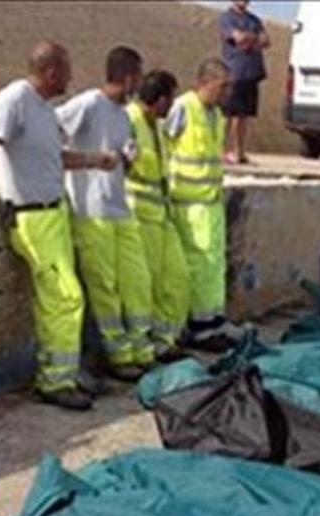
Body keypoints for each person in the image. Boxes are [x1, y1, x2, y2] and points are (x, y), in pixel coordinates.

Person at [0, 40, 118, 411]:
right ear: (52, 72)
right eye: (66, 70)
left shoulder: (44, 111)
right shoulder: (16, 98)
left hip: (54, 214)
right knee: (65, 297)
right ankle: (55, 381)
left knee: (58, 297)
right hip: (33, 218)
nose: (70, 77)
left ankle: (66, 372)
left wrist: (93, 161)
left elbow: (53, 157)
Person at [56, 46, 155, 382]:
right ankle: (118, 354)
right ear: (127, 77)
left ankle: (140, 347)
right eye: (138, 78)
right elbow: (51, 135)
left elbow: (125, 151)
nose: (140, 85)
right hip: (92, 210)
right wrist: (88, 160)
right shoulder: (87, 104)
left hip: (118, 206)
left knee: (136, 278)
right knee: (105, 286)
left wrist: (128, 157)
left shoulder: (123, 114)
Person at [165, 58, 244, 352]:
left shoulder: (216, 115)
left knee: (213, 263)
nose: (226, 93)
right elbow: (164, 146)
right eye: (222, 87)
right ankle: (199, 325)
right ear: (205, 82)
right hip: (188, 202)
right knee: (197, 264)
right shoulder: (183, 108)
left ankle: (213, 319)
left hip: (209, 200)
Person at [126, 70, 190, 360]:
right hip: (139, 216)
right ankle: (147, 344)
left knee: (177, 279)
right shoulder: (129, 121)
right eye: (171, 98)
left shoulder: (157, 127)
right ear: (161, 99)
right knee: (144, 287)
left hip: (161, 216)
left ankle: (166, 338)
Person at [219, 0, 269, 165]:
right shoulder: (227, 18)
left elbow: (266, 40)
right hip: (235, 72)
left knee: (243, 116)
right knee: (228, 115)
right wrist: (252, 39)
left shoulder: (254, 20)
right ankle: (221, 151)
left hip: (251, 72)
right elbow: (236, 38)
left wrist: (249, 39)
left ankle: (239, 152)